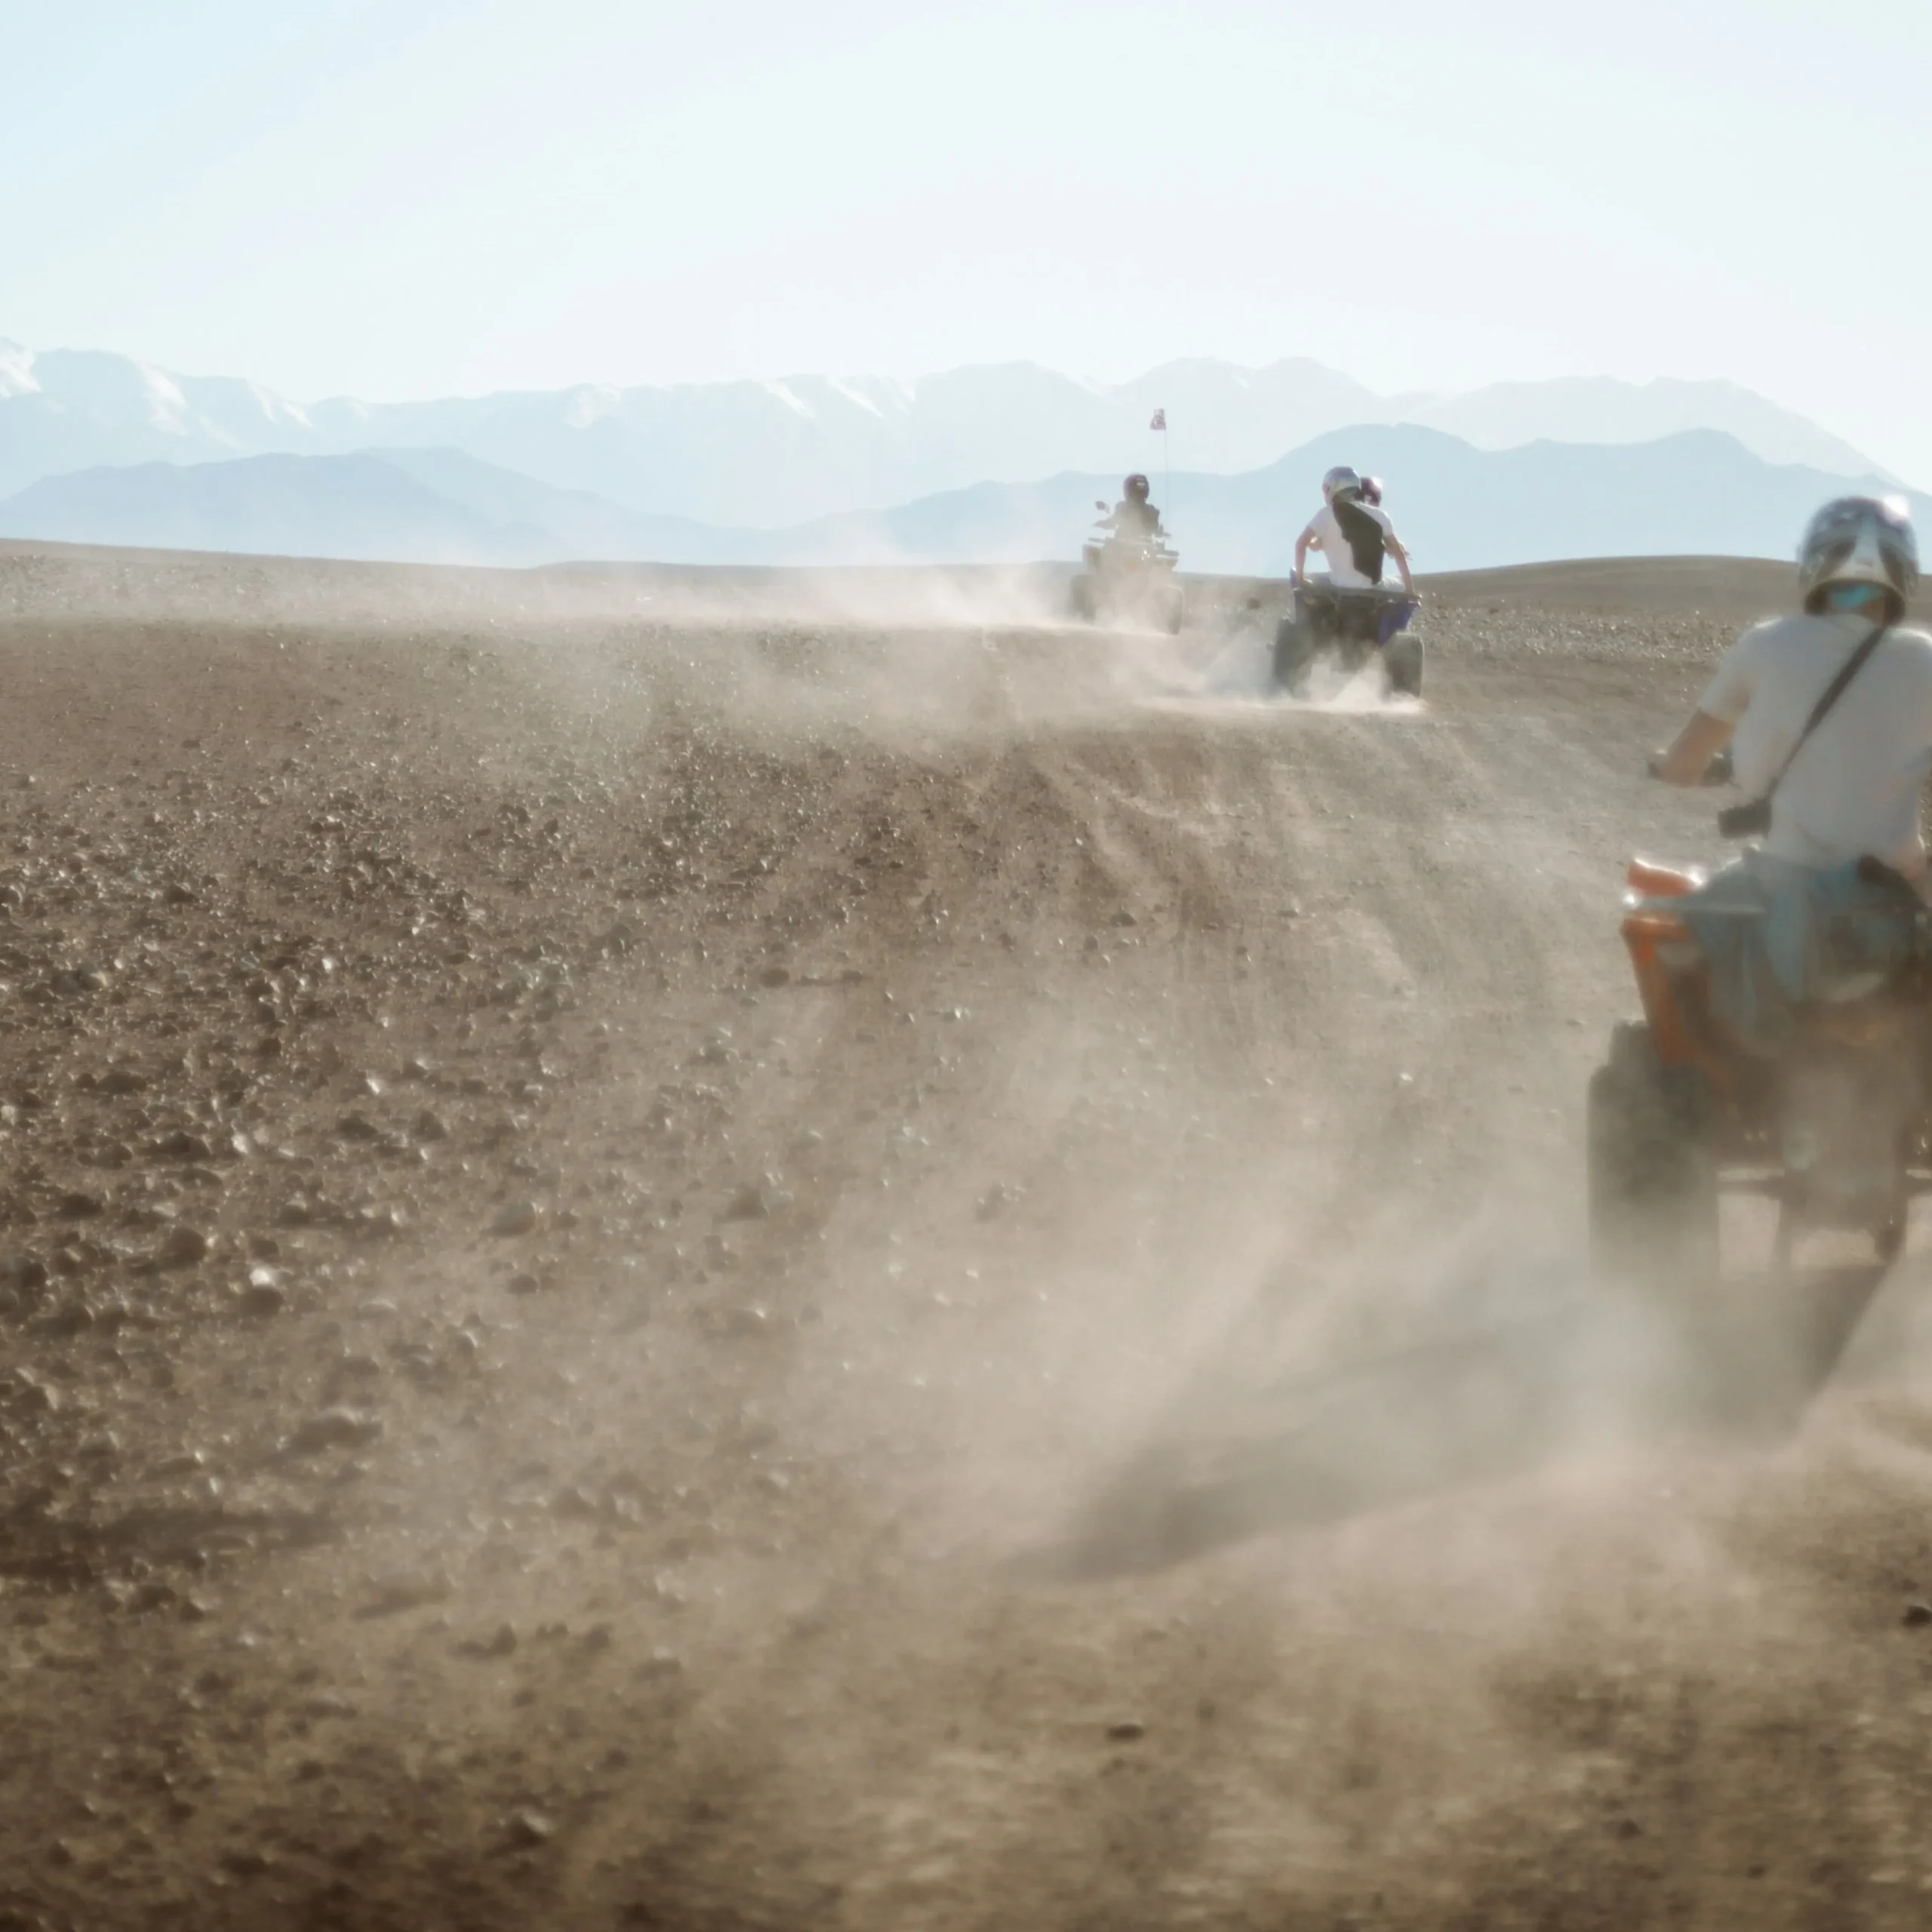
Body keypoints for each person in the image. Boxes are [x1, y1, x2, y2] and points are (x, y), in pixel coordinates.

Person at [1650, 494, 1932, 1049]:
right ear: (1903, 574)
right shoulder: (1926, 659)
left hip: (1786, 883)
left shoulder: (1765, 645)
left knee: (1665, 935)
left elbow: (1686, 764)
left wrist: (1670, 766)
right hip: (1898, 894)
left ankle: (1693, 1095)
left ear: (1815, 567)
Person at [1294, 466, 1414, 592]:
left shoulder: (1325, 515)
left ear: (1333, 487)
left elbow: (1301, 544)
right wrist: (1410, 590)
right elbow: (1399, 554)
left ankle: (1310, 609)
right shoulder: (1380, 515)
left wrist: (1300, 579)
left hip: (1339, 584)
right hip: (1373, 586)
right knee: (1398, 584)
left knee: (1296, 574)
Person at [1097, 473, 1163, 540]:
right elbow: (1114, 521)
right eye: (1136, 493)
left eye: (1139, 493)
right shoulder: (1122, 507)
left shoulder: (1151, 510)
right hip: (1121, 544)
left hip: (1144, 545)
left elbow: (1154, 527)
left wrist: (1158, 531)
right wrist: (1102, 523)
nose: (1137, 497)